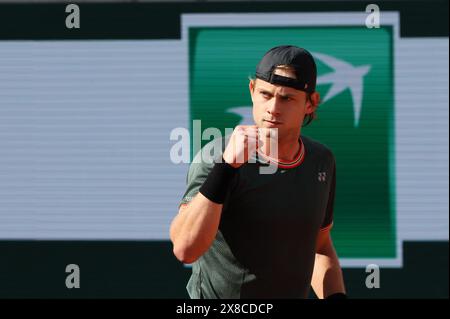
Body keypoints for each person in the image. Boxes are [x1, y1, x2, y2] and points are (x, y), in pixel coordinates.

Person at [170, 45, 346, 299]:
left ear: (311, 103)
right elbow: (185, 249)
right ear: (252, 90)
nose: (273, 108)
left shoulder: (322, 161)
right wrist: (227, 167)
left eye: (287, 98)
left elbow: (318, 247)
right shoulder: (215, 157)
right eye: (265, 94)